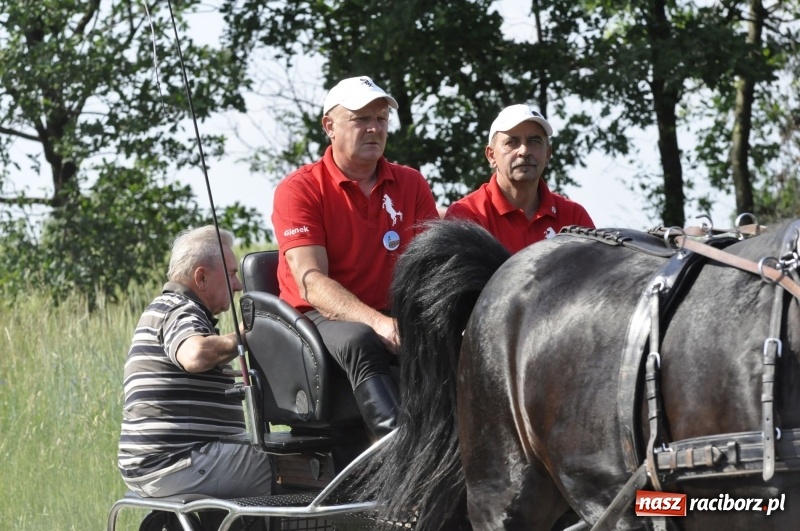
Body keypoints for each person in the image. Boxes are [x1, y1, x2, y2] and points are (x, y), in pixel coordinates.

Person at [271, 75, 440, 439]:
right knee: (360, 340)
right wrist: (379, 324)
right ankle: (396, 451)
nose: (374, 128)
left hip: (391, 313)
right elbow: (311, 283)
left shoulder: (411, 183)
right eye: (361, 119)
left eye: (381, 119)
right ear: (329, 127)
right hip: (313, 319)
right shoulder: (299, 189)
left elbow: (432, 268)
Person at [118, 225, 272, 503]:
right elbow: (195, 354)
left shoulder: (167, 309)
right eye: (232, 274)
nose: (238, 286)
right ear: (201, 277)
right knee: (294, 465)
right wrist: (251, 335)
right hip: (176, 462)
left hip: (162, 464)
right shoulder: (179, 309)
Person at [446, 104, 595, 253]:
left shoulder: (574, 216)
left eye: (534, 141)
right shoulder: (466, 215)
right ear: (491, 155)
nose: (524, 151)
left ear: (548, 154)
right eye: (512, 142)